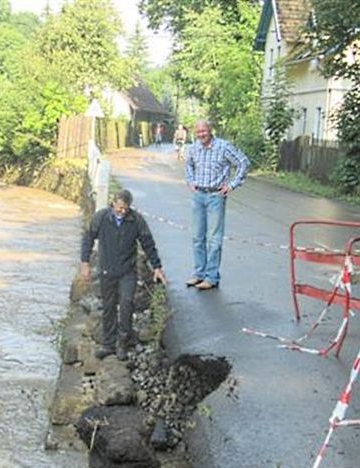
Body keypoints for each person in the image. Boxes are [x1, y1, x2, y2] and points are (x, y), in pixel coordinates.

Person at [81, 189, 167, 360]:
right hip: (107, 269)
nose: (122, 211)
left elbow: (148, 243)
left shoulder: (136, 220)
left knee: (127, 304)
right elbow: (88, 238)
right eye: (119, 208)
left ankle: (123, 343)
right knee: (109, 306)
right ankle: (108, 344)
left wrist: (157, 267)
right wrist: (85, 263)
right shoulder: (101, 218)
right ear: (113, 203)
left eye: (125, 209)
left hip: (128, 271)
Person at [184, 120, 250, 290]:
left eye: (204, 131)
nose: (201, 135)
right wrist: (190, 181)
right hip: (198, 195)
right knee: (197, 237)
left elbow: (243, 163)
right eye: (198, 132)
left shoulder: (223, 147)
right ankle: (199, 273)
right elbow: (188, 165)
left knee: (214, 239)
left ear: (210, 131)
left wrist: (232, 185)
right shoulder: (194, 148)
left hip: (215, 196)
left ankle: (211, 277)